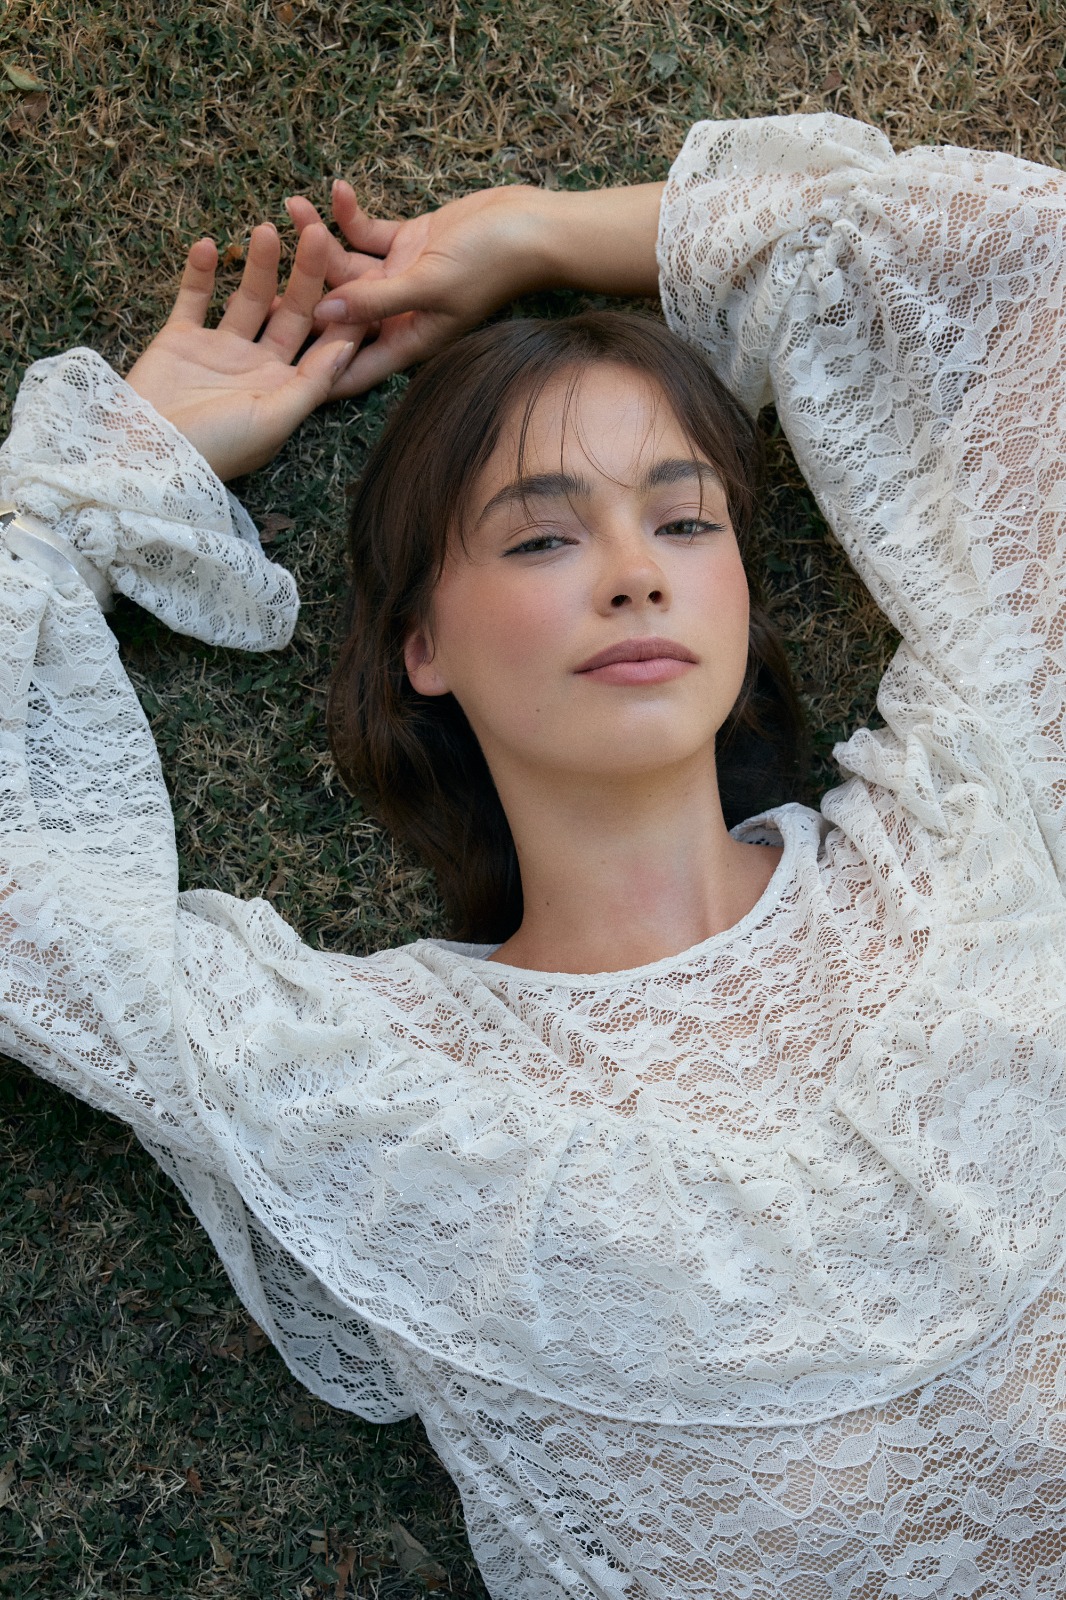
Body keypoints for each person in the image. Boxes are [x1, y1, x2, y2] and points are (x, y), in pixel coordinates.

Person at [2, 109, 1066, 1598]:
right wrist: (84, 492)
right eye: (541, 539)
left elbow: (1024, 276)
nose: (634, 573)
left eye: (682, 522)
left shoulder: (973, 829)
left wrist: (533, 234)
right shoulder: (388, 1096)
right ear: (423, 646)